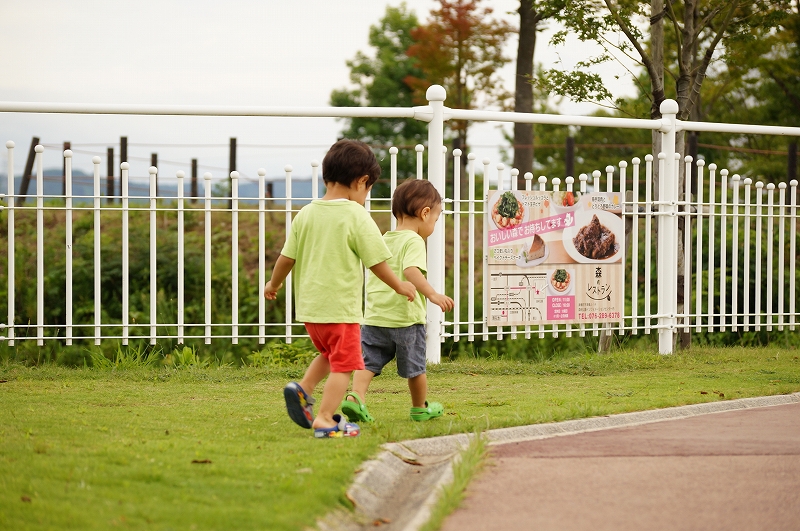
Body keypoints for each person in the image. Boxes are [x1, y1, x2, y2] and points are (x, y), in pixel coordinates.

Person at [263, 139, 416, 438]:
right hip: (339, 308)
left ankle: (303, 390)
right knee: (345, 365)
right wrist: (399, 284)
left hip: (310, 309)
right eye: (368, 188)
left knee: (330, 354)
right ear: (361, 182)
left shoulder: (306, 213)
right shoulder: (355, 215)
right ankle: (324, 419)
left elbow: (286, 258)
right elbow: (377, 262)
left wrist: (274, 283)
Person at [341, 178, 455, 424]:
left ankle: (356, 398)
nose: (434, 224)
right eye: (435, 219)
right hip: (405, 319)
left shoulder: (385, 237)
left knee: (368, 362)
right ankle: (419, 408)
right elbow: (411, 271)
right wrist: (433, 294)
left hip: (376, 316)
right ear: (425, 214)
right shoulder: (413, 240)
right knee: (415, 368)